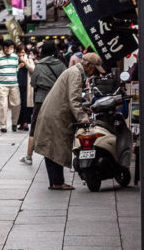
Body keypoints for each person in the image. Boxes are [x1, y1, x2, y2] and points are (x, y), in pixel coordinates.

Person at [33, 51, 104, 189]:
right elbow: (74, 99)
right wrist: (83, 118)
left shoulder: (75, 72)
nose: (94, 72)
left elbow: (73, 98)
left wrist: (84, 108)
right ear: (88, 65)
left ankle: (56, 181)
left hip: (54, 113)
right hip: (56, 115)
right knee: (55, 148)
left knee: (52, 148)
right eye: (94, 68)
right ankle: (57, 182)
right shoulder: (76, 74)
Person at [20, 40, 66, 164]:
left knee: (34, 127)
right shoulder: (61, 65)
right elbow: (65, 83)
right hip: (56, 99)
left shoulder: (39, 65)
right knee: (56, 127)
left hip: (41, 99)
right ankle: (56, 155)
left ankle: (29, 157)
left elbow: (33, 83)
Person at [0, 39, 20, 132]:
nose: (10, 49)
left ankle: (14, 123)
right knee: (3, 105)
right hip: (1, 85)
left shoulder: (15, 57)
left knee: (16, 104)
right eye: (8, 47)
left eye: (12, 47)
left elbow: (16, 69)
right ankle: (3, 125)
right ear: (4, 47)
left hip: (14, 84)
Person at [16, 44, 35, 131]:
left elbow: (33, 69)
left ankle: (26, 123)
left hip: (27, 85)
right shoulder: (15, 60)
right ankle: (20, 122)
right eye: (20, 52)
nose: (21, 54)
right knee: (18, 104)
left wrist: (25, 62)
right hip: (17, 85)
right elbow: (12, 71)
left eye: (23, 52)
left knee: (26, 104)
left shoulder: (29, 60)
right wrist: (18, 67)